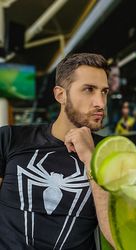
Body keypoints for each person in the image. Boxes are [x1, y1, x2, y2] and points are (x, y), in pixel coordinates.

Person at [0, 53, 114, 249]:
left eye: (104, 92)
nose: (100, 103)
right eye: (89, 89)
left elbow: (119, 238)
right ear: (60, 95)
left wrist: (91, 158)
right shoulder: (11, 139)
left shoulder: (110, 153)